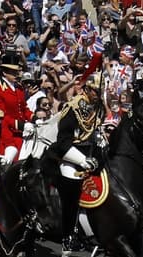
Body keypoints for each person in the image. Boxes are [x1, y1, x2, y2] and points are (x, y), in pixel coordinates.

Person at [49, 75, 105, 247]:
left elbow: (93, 132)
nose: (98, 94)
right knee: (71, 195)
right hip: (71, 156)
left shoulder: (97, 107)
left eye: (100, 91)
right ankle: (68, 235)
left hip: (92, 155)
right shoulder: (73, 108)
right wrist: (81, 160)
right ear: (87, 90)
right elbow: (63, 141)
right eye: (96, 91)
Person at [0, 54, 31, 167]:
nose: (16, 74)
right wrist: (22, 125)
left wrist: (35, 118)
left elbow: (24, 109)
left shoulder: (19, 88)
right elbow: (2, 116)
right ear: (4, 73)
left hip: (22, 131)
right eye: (12, 72)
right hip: (7, 133)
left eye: (16, 72)